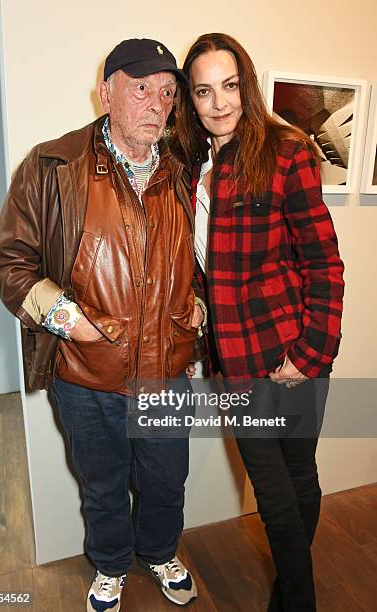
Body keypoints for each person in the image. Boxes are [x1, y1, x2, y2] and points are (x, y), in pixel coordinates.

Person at [0, 38, 204, 612]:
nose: (157, 104)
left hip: (167, 375)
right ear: (105, 93)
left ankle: (158, 552)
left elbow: (200, 261)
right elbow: (7, 262)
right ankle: (110, 565)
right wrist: (66, 318)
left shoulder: (183, 174)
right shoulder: (52, 165)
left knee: (165, 480)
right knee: (102, 484)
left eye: (167, 93)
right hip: (84, 376)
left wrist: (197, 304)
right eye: (141, 89)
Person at [174, 33, 344, 611]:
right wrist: (198, 300)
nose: (219, 103)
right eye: (203, 91)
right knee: (275, 491)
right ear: (190, 100)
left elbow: (323, 261)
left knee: (295, 478)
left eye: (228, 86)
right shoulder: (193, 164)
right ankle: (298, 594)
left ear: (245, 85)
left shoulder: (286, 151)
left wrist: (312, 353)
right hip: (235, 360)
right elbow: (206, 258)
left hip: (291, 350)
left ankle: (295, 598)